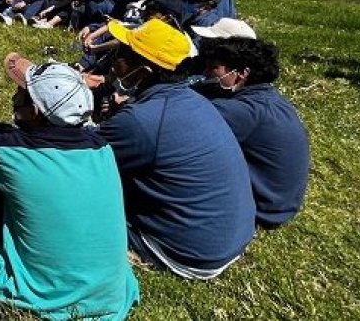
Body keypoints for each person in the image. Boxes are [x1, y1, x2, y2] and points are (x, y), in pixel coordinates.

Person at [0, 54, 139, 320]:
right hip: (112, 301)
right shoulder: (103, 150)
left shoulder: (14, 153)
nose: (14, 97)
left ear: (35, 110)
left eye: (21, 93)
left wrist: (13, 128)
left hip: (41, 299)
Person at [97, 19, 255, 279]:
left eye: (121, 53)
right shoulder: (192, 100)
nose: (114, 59)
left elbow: (79, 160)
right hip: (228, 238)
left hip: (186, 253)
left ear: (143, 72)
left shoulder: (141, 121)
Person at [193, 38, 310, 229]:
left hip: (260, 210)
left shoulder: (244, 111)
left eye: (214, 68)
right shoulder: (269, 99)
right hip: (278, 204)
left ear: (242, 73)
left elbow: (184, 121)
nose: (206, 74)